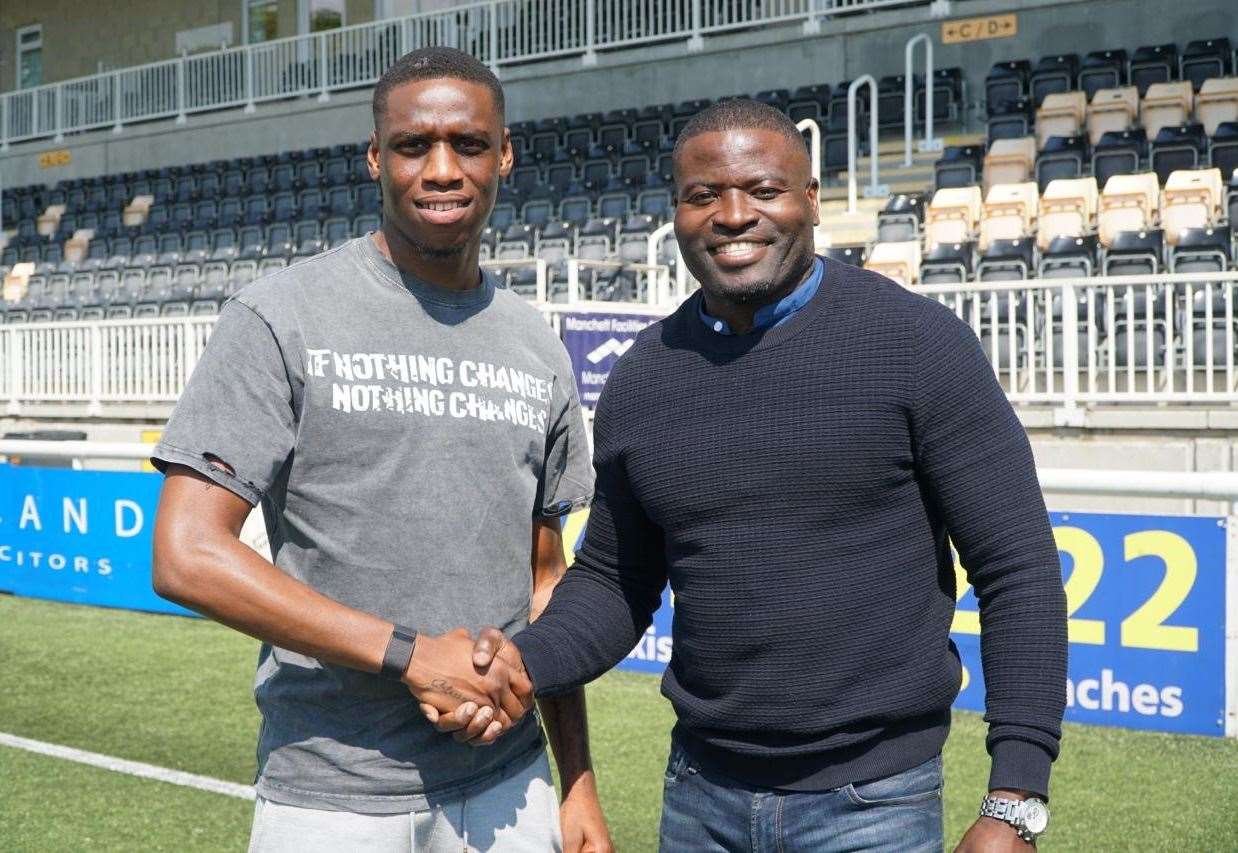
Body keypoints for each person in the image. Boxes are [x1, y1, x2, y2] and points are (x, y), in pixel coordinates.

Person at [454, 99, 1067, 851]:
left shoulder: (916, 343)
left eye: (764, 190)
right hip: (699, 800)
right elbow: (616, 580)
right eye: (703, 195)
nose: (733, 215)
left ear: (811, 202)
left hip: (876, 805)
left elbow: (1020, 572)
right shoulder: (642, 377)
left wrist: (1015, 800)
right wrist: (523, 661)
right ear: (676, 211)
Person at [150, 46, 610, 853]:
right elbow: (186, 553)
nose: (441, 169)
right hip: (330, 797)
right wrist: (410, 656)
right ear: (374, 158)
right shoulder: (279, 316)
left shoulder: (538, 345)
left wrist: (576, 784)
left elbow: (544, 582)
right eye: (412, 145)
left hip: (512, 785)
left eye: (468, 144)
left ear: (503, 154)